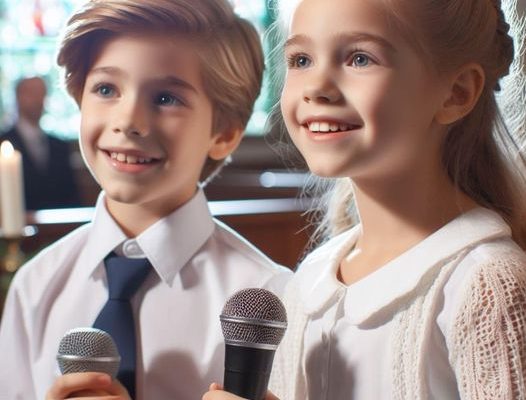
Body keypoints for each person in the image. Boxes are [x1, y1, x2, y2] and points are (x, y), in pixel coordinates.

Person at [203, 0, 526, 398]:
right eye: (301, 59)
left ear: (456, 93)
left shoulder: (486, 284)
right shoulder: (311, 280)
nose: (317, 87)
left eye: (359, 58)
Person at [0, 0, 292, 399]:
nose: (129, 121)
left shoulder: (270, 298)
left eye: (166, 98)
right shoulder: (36, 286)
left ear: (224, 133)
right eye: (106, 89)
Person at [0, 76, 81, 210]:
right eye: (31, 93)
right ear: (18, 97)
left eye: (41, 94)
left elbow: (72, 196)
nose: (38, 100)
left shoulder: (60, 146)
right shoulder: (3, 142)